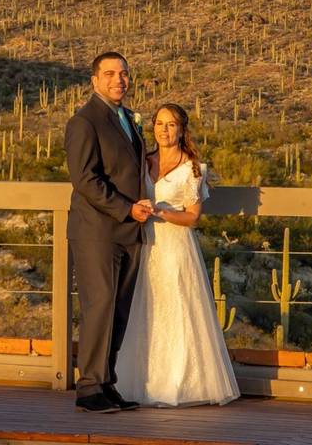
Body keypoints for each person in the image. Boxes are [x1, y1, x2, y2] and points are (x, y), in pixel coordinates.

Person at [115, 103, 240, 407]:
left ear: (182, 129)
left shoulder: (193, 168)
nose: (164, 130)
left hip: (175, 248)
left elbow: (192, 217)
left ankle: (178, 384)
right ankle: (139, 382)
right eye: (159, 124)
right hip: (145, 245)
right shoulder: (142, 162)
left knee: (177, 310)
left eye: (171, 125)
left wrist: (160, 211)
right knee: (145, 310)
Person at [65, 51, 152, 413]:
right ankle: (88, 389)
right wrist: (125, 208)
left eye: (125, 74)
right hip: (97, 230)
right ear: (95, 80)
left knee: (118, 309)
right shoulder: (84, 122)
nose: (120, 80)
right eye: (111, 74)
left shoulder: (127, 119)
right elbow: (85, 179)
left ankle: (106, 382)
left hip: (129, 229)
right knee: (99, 306)